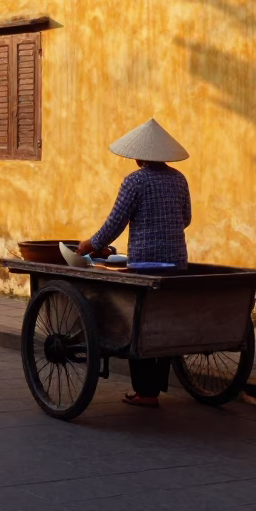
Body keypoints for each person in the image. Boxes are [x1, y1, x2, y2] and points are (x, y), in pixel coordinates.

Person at [76, 118, 191, 408]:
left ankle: (145, 392)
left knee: (138, 323)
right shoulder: (179, 179)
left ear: (140, 154)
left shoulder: (135, 181)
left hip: (144, 264)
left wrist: (91, 245)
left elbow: (116, 222)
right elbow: (186, 218)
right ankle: (155, 387)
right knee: (163, 321)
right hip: (176, 262)